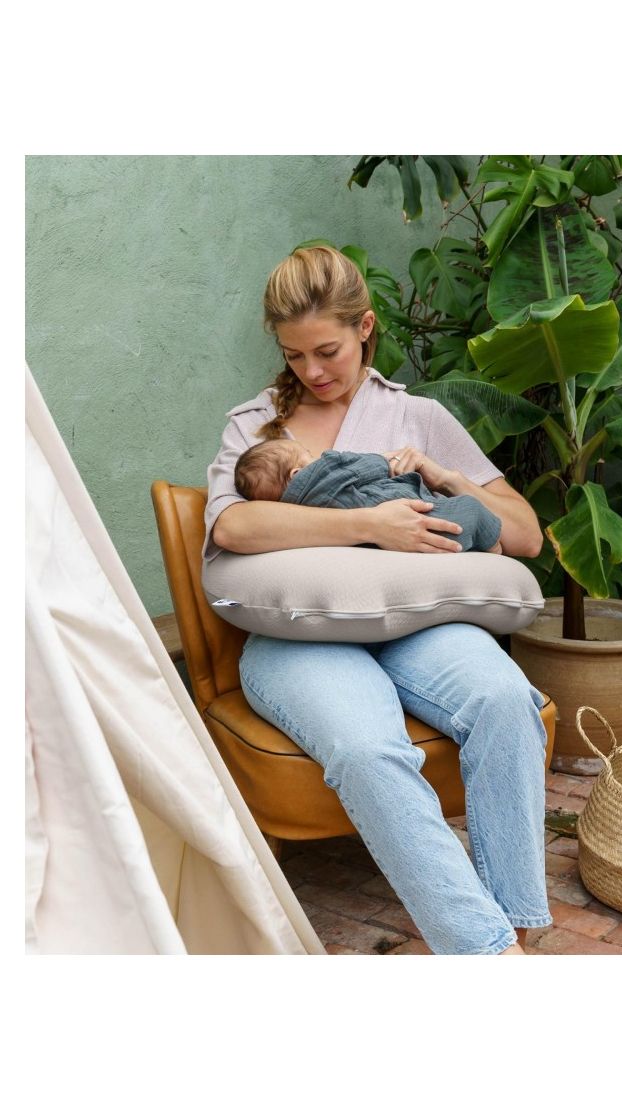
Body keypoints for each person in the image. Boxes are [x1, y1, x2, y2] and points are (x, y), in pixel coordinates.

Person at [203, 245, 552, 955]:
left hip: (422, 627)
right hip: (300, 639)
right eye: (295, 356)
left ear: (365, 328)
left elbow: (524, 535)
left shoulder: (417, 417)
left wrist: (444, 473)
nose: (313, 372)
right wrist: (367, 523)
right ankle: (489, 954)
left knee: (504, 701)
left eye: (327, 350)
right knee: (366, 747)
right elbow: (233, 525)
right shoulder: (255, 426)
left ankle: (514, 925)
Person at [233, 437, 503, 553]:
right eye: (307, 454)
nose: (315, 456)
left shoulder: (296, 514)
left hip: (394, 546)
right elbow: (369, 467)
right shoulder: (327, 468)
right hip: (425, 520)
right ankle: (493, 551)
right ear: (295, 474)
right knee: (471, 509)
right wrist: (388, 461)